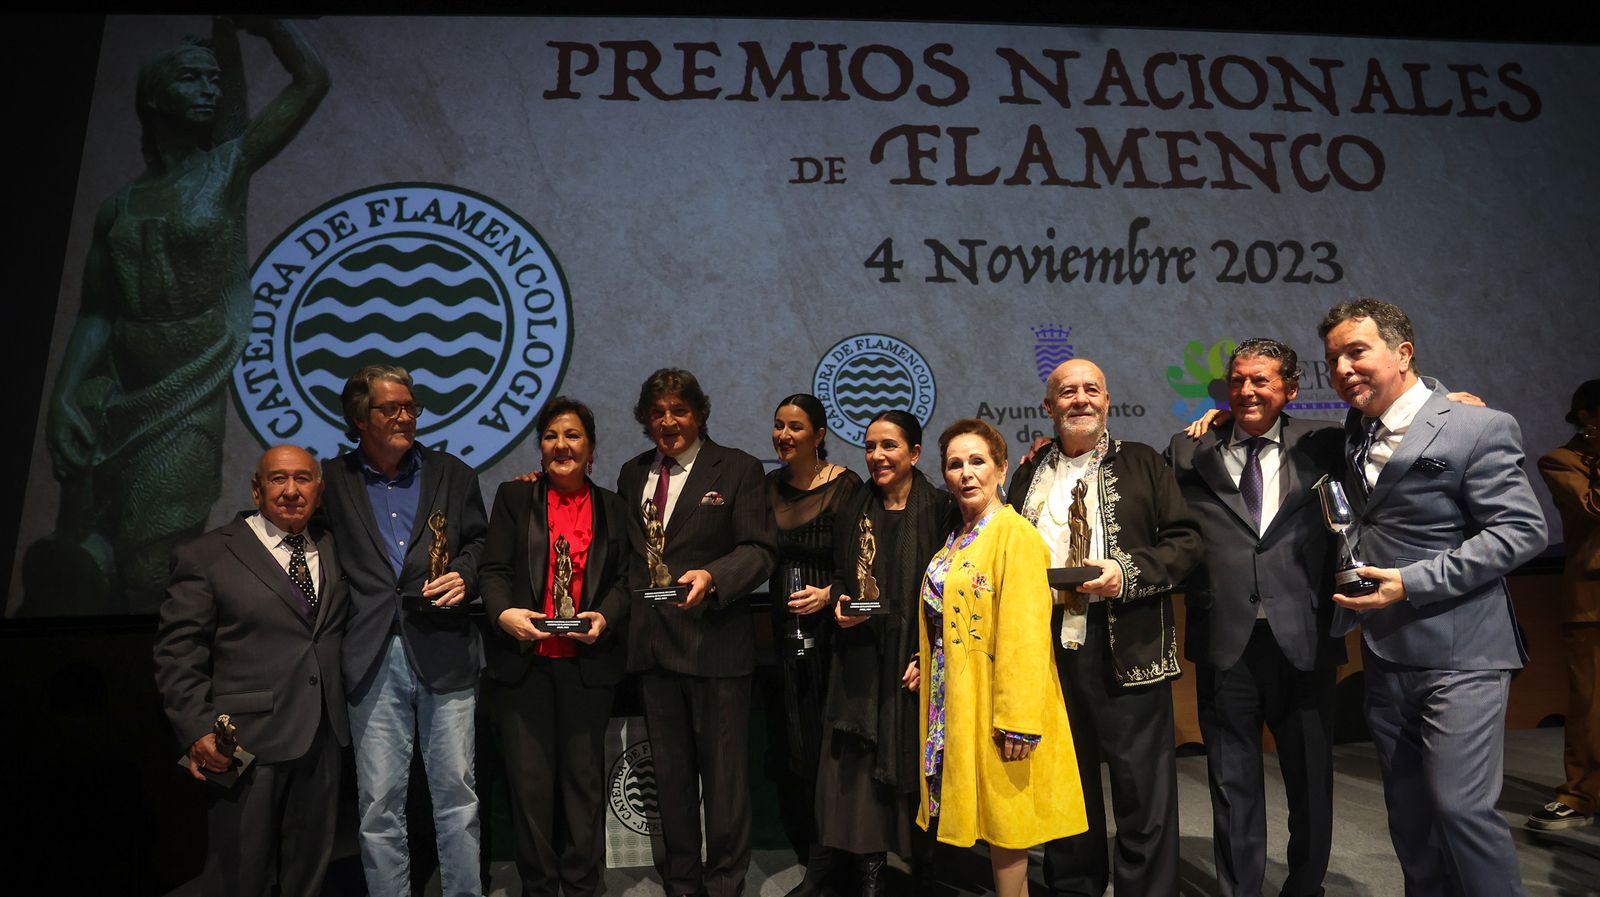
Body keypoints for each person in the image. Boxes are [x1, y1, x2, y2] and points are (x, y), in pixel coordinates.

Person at [35, 18, 326, 612]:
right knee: (95, 552)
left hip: (190, 383)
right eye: (192, 80)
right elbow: (95, 312)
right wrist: (63, 397)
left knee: (151, 560)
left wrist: (270, 24)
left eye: (215, 81)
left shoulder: (228, 166)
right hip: (118, 388)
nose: (210, 91)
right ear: (153, 95)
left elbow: (311, 80)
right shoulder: (119, 205)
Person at [1319, 298, 1546, 897]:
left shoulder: (1477, 425)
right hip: (1387, 655)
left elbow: (1523, 531)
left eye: (1356, 352)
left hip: (1464, 655)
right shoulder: (1355, 430)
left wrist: (1411, 581)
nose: (1342, 369)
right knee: (1410, 819)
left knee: (1461, 811)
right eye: (1333, 359)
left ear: (1403, 352)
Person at [1009, 358, 1202, 897]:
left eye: (1091, 389)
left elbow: (1186, 542)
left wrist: (1124, 573)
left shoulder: (1142, 463)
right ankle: (1074, 887)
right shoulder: (1029, 471)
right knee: (1065, 786)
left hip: (1128, 644)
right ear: (1048, 407)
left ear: (1108, 400)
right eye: (1067, 392)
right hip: (1047, 649)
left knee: (1142, 791)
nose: (1081, 399)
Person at [1166, 339, 1345, 897]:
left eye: (1261, 381)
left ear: (1289, 389)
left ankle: (1305, 887)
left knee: (1312, 780)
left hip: (1305, 637)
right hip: (1225, 639)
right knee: (1231, 782)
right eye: (1238, 380)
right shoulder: (1187, 450)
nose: (1247, 390)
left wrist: (1449, 400)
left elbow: (1397, 429)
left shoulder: (1327, 444)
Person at [318, 365, 489, 897]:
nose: (404, 417)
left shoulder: (453, 474)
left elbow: (483, 545)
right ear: (358, 417)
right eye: (390, 408)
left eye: (410, 407)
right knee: (378, 804)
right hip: (370, 653)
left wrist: (464, 572)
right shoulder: (331, 480)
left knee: (457, 796)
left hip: (445, 648)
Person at [153, 445, 349, 897]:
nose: (291, 491)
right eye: (278, 480)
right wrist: (196, 728)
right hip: (242, 739)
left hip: (323, 735)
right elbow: (178, 651)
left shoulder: (334, 547)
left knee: (310, 869)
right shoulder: (206, 554)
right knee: (239, 872)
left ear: (318, 491)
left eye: (303, 479)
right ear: (256, 490)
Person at [617, 368, 777, 897]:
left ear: (699, 414)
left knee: (726, 782)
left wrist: (714, 576)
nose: (668, 422)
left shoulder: (738, 469)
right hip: (654, 650)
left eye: (679, 411)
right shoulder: (630, 473)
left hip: (716, 649)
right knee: (672, 781)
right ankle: (683, 882)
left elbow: (760, 551)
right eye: (658, 412)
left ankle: (726, 883)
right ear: (646, 419)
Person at [918, 418, 1086, 897]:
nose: (966, 473)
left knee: (1008, 830)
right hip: (957, 695)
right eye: (954, 464)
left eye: (977, 461)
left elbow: (1026, 635)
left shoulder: (1015, 536)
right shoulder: (957, 537)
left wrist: (1017, 719)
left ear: (1001, 468)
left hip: (1000, 706)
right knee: (991, 825)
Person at [480, 397, 633, 897]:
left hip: (586, 667)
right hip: (524, 667)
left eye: (573, 436)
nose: (561, 445)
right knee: (529, 791)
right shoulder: (513, 497)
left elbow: (626, 578)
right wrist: (504, 614)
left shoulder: (614, 505)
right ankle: (539, 889)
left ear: (591, 449)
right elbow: (494, 570)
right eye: (551, 436)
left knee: (584, 789)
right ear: (540, 446)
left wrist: (605, 615)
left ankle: (584, 887)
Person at [813, 410, 948, 896]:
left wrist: (929, 655)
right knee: (860, 776)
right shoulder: (854, 505)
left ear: (914, 453)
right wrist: (842, 600)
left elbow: (949, 591)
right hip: (863, 662)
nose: (876, 456)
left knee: (918, 770)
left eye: (889, 446)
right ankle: (870, 875)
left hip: (916, 663)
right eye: (870, 446)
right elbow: (845, 576)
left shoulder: (940, 508)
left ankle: (924, 871)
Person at [763, 393, 862, 895]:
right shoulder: (766, 488)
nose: (784, 435)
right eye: (779, 426)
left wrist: (831, 593)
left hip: (836, 639)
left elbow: (866, 558)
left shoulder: (846, 487)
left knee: (832, 751)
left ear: (819, 435)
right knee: (799, 750)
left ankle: (835, 865)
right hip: (785, 639)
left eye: (796, 427)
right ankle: (818, 856)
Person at [1527, 378, 1600, 830]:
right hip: (1592, 600)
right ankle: (1580, 794)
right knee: (1592, 703)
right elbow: (1593, 508)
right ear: (1587, 418)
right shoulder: (1561, 460)